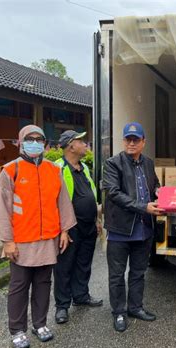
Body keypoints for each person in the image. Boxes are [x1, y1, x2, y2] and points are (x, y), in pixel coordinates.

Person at [0, 125, 76, 348]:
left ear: (45, 143)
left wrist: (65, 230)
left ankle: (40, 324)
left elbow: (63, 202)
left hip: (48, 239)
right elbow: (1, 208)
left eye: (40, 139)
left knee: (43, 284)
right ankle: (17, 330)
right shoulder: (10, 171)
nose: (35, 143)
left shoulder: (53, 170)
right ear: (21, 142)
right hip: (20, 242)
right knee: (19, 286)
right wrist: (7, 241)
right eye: (30, 139)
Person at [102, 122, 164, 332]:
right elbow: (114, 193)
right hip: (120, 230)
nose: (131, 143)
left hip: (143, 230)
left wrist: (162, 194)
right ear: (124, 141)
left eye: (135, 139)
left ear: (143, 142)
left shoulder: (148, 163)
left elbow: (154, 185)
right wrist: (143, 207)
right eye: (128, 139)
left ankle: (135, 307)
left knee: (138, 272)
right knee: (117, 275)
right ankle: (118, 311)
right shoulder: (113, 163)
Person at [53, 130, 103, 325]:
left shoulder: (84, 167)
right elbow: (53, 200)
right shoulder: (57, 168)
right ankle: (62, 306)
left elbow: (90, 194)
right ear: (71, 146)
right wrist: (62, 228)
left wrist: (97, 220)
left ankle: (81, 295)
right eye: (81, 141)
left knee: (84, 262)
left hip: (88, 224)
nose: (85, 144)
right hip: (69, 227)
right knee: (64, 266)